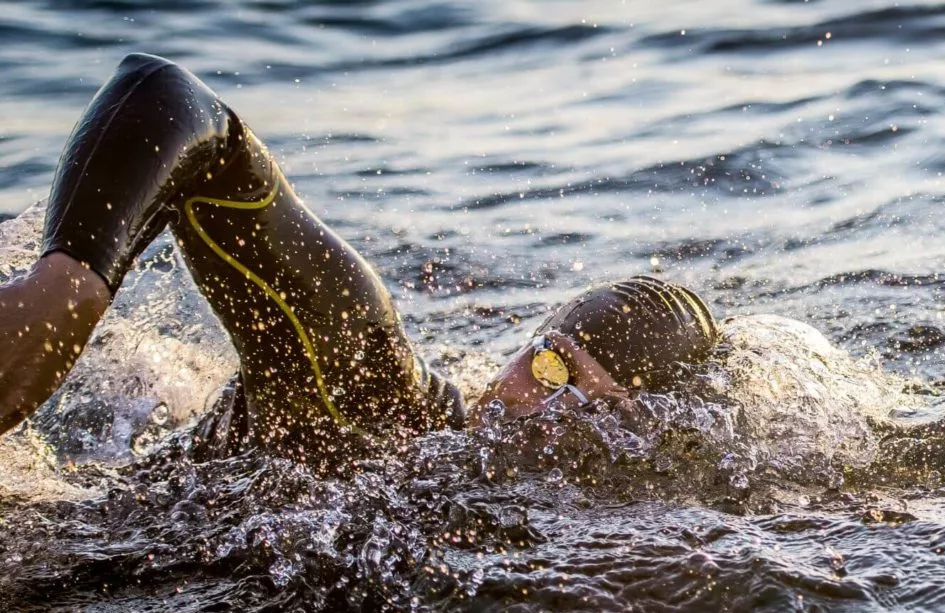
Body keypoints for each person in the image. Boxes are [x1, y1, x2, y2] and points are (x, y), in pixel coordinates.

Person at [0, 53, 718, 462]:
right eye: (548, 363)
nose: (543, 408)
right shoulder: (378, 393)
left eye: (587, 405)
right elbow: (174, 101)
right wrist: (67, 288)